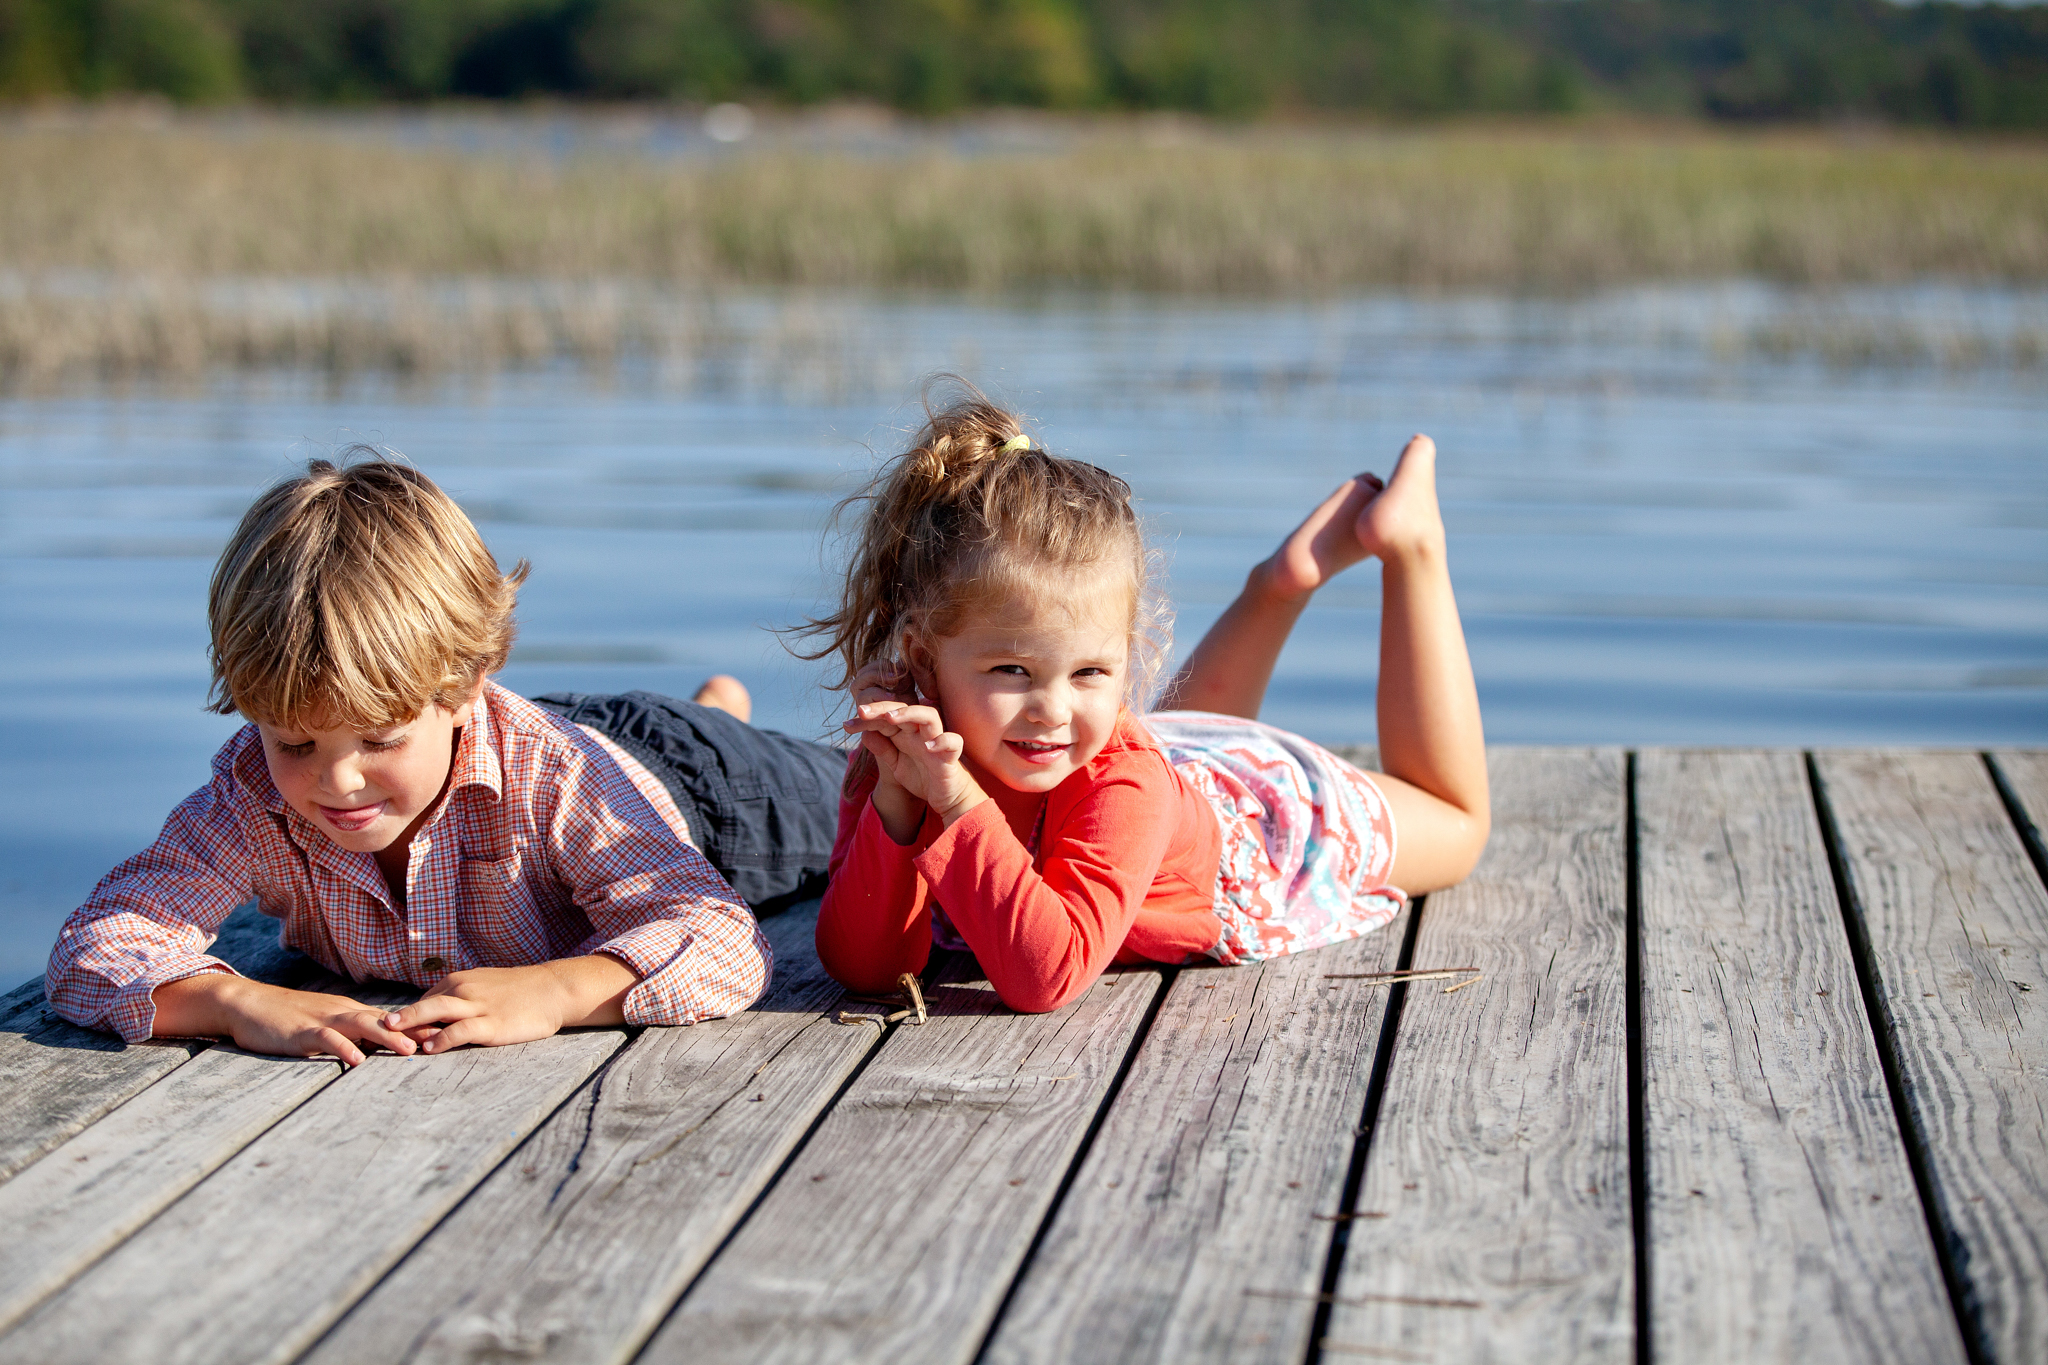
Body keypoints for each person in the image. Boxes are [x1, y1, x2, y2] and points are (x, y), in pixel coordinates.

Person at [44, 454, 836, 1066]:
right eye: (295, 741)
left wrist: (559, 988)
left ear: (464, 688)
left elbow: (722, 940)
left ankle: (715, 715)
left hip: (705, 788)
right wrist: (228, 999)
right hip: (559, 731)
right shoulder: (254, 788)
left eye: (378, 739)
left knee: (853, 799)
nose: (337, 778)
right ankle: (711, 701)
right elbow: (95, 943)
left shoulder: (554, 778)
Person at [807, 387, 1489, 1012]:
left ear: (1127, 657)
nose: (1052, 707)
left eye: (1091, 672)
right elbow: (865, 966)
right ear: (924, 657)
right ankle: (1278, 585)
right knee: (1155, 738)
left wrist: (956, 802)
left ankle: (1413, 549)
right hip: (1175, 762)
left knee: (1457, 826)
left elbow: (1046, 975)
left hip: (1256, 828)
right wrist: (895, 806)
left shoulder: (1121, 779)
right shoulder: (914, 751)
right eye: (1013, 669)